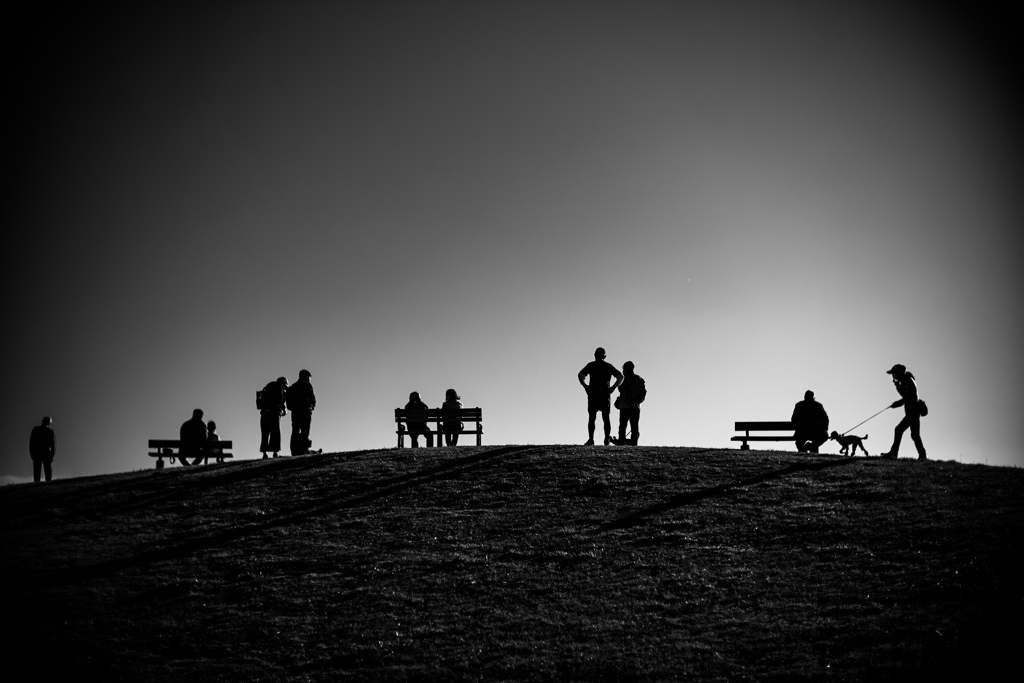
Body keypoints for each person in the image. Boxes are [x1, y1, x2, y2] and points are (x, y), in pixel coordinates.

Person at [880, 364, 927, 460]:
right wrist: (898, 387)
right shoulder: (906, 381)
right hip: (913, 411)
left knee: (898, 429)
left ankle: (893, 453)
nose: (893, 377)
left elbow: (906, 398)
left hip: (913, 411)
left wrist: (896, 402)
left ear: (898, 374)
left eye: (893, 374)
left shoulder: (907, 381)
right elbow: (906, 397)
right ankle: (922, 455)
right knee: (915, 435)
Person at [578, 347, 623, 446]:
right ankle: (606, 439)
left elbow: (580, 375)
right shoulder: (608, 366)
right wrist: (613, 388)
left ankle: (591, 439)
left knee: (592, 418)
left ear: (595, 355)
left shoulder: (591, 365)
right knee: (606, 418)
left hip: (593, 394)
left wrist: (585, 386)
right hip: (605, 394)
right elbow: (620, 377)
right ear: (605, 356)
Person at [613, 361, 647, 446]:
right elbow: (643, 393)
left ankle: (621, 444)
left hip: (624, 407)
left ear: (625, 369)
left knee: (622, 427)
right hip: (635, 408)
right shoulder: (640, 379)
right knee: (634, 428)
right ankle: (634, 445)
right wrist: (637, 402)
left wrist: (629, 401)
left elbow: (622, 391)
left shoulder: (622, 379)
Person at [286, 369, 316, 455]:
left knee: (295, 431)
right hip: (305, 411)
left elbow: (289, 404)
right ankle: (303, 449)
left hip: (295, 412)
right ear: (306, 376)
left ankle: (294, 450)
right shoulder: (307, 386)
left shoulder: (292, 387)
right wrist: (311, 407)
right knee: (305, 431)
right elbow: (313, 399)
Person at [260, 377, 288, 458]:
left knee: (265, 434)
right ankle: (275, 453)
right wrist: (283, 409)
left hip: (264, 413)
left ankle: (264, 453)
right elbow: (281, 399)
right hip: (274, 413)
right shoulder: (279, 387)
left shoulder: (268, 386)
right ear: (283, 383)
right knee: (275, 433)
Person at [29, 416, 56, 482]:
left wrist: (32, 453)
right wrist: (52, 455)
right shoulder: (50, 431)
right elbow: (53, 445)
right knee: (47, 471)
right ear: (49, 423)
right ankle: (48, 483)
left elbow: (31, 442)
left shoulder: (36, 429)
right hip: (46, 453)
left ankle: (37, 484)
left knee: (37, 471)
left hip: (37, 453)